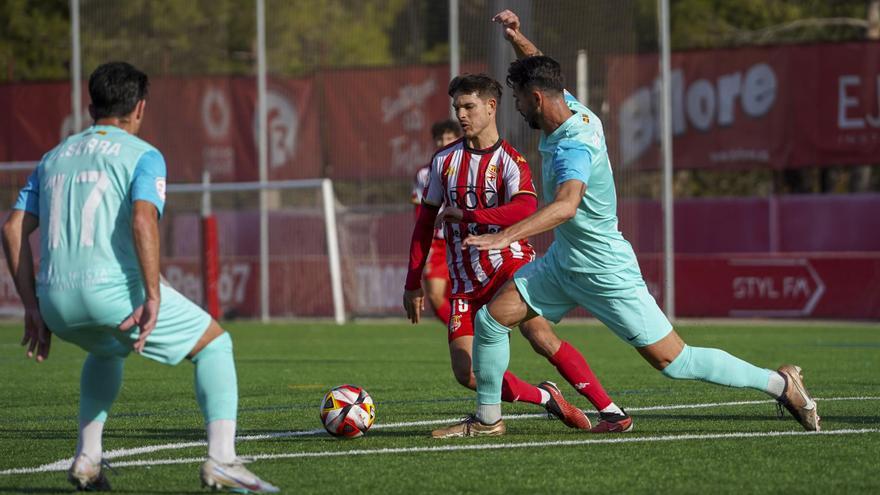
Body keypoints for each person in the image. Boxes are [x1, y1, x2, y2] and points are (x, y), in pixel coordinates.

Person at [438, 10, 820, 435]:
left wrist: (503, 236)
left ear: (538, 99)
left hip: (604, 269)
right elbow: (543, 69)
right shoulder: (571, 109)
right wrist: (517, 37)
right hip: (565, 263)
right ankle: (489, 420)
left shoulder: (575, 146)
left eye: (521, 99)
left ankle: (781, 384)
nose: (520, 107)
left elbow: (566, 206)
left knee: (675, 362)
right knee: (493, 320)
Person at [1, 62, 279, 493]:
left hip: (55, 302)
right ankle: (223, 459)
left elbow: (12, 228)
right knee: (215, 344)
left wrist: (33, 309)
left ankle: (88, 458)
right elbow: (143, 218)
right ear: (140, 108)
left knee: (107, 350)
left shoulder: (52, 157)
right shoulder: (143, 154)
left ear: (91, 106)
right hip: (111, 294)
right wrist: (153, 294)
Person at [403, 73, 631, 438]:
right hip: (464, 278)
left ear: (491, 107)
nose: (461, 114)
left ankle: (609, 408)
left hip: (510, 265)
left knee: (538, 332)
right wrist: (413, 283)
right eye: (457, 107)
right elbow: (424, 223)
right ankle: (546, 398)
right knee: (467, 374)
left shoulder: (511, 160)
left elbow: (525, 208)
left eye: (468, 106)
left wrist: (471, 215)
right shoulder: (443, 161)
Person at [411, 120, 461, 328]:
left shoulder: (468, 166)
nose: (444, 142)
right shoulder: (424, 173)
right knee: (434, 294)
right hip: (438, 243)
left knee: (469, 297)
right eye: (440, 139)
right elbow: (419, 209)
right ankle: (462, 334)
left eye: (449, 138)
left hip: (462, 240)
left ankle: (475, 337)